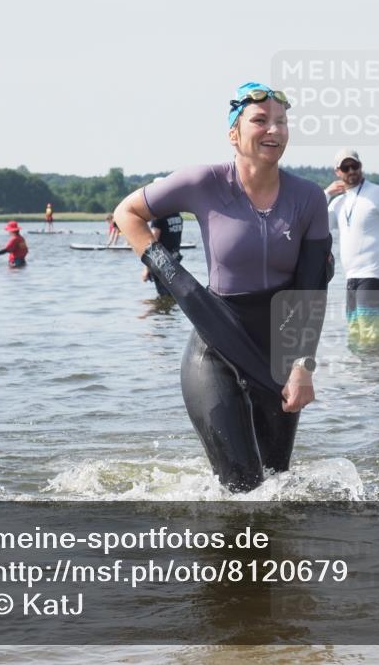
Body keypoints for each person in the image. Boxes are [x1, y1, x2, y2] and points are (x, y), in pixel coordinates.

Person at [113, 82, 331, 492]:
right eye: (260, 121)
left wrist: (304, 365)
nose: (274, 130)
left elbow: (312, 287)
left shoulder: (309, 198)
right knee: (245, 486)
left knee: (277, 486)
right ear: (234, 133)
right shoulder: (202, 182)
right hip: (215, 349)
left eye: (282, 122)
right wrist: (166, 268)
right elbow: (127, 213)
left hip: (279, 356)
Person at [325, 148, 379, 348]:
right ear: (337, 172)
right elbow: (317, 225)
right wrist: (326, 193)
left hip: (375, 276)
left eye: (354, 166)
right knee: (356, 337)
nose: (351, 171)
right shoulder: (338, 202)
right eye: (345, 168)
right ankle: (361, 379)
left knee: (372, 337)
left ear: (360, 166)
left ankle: (376, 377)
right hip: (351, 278)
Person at [139, 183, 184, 297]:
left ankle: (160, 314)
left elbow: (153, 242)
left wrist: (146, 268)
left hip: (162, 262)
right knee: (173, 296)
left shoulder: (159, 216)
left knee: (164, 297)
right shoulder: (176, 214)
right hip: (175, 258)